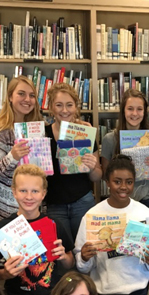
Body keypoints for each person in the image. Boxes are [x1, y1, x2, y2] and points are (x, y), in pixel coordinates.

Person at [75, 156, 149, 295]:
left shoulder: (145, 214)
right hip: (106, 292)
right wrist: (84, 258)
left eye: (129, 182)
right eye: (117, 181)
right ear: (107, 182)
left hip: (137, 290)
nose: (123, 187)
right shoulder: (92, 215)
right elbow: (82, 265)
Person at [0, 164, 75, 295]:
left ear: (43, 194)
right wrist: (5, 273)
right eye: (23, 190)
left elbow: (70, 263)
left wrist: (63, 256)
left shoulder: (55, 225)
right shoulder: (1, 229)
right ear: (14, 192)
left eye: (35, 191)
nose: (29, 197)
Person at [44, 83, 101, 241]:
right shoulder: (43, 134)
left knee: (86, 248)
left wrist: (92, 167)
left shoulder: (85, 132)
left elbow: (97, 176)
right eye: (59, 105)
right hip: (55, 204)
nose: (64, 110)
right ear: (51, 107)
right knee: (62, 250)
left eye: (69, 105)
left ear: (76, 107)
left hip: (82, 201)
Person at [0, 75, 43, 224]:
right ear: (10, 97)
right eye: (21, 94)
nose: (27, 99)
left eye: (32, 95)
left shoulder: (38, 128)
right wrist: (13, 156)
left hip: (35, 209)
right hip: (7, 212)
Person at [100, 88, 149, 213]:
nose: (135, 113)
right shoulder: (110, 139)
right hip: (119, 199)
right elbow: (105, 174)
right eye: (130, 108)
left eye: (139, 109)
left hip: (146, 198)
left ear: (144, 112)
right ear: (123, 110)